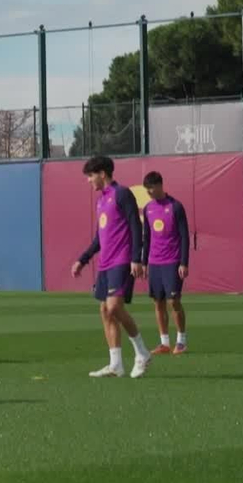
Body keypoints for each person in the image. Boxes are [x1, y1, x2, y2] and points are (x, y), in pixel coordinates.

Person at [70, 155, 152, 378]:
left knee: (115, 306)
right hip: (105, 264)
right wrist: (83, 259)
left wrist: (137, 258)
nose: (88, 181)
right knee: (105, 310)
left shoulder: (122, 194)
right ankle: (116, 364)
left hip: (122, 260)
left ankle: (142, 352)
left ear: (102, 174)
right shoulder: (101, 200)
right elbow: (99, 238)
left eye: (90, 176)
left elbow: (136, 226)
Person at [140, 171, 190, 355]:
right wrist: (144, 263)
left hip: (172, 261)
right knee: (158, 302)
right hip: (154, 263)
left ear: (160, 185)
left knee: (174, 301)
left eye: (151, 188)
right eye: (147, 189)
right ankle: (164, 343)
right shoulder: (148, 209)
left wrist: (184, 262)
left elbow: (184, 236)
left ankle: (182, 341)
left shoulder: (175, 206)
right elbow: (146, 237)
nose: (149, 192)